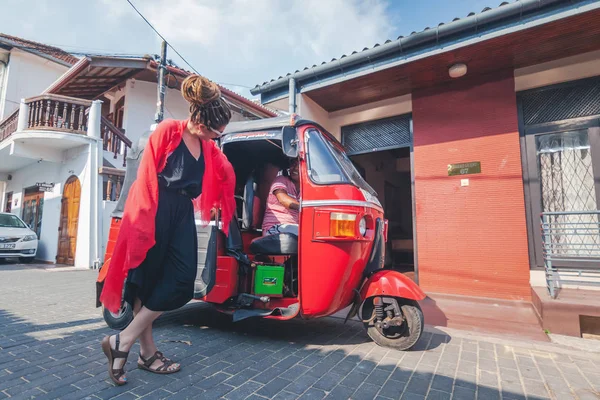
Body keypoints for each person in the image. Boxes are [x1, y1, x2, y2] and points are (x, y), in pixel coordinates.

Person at [99, 74, 236, 386]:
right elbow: (146, 174)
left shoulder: (209, 148)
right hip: (155, 208)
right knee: (147, 282)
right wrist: (144, 220)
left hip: (181, 212)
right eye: (217, 131)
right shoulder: (168, 131)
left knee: (181, 282)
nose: (217, 137)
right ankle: (146, 353)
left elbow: (223, 171)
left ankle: (123, 340)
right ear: (202, 123)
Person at [262, 159, 300, 236]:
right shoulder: (281, 180)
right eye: (293, 164)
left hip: (294, 229)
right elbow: (283, 199)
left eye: (299, 164)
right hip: (274, 228)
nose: (295, 168)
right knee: (306, 234)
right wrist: (305, 207)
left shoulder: (307, 189)